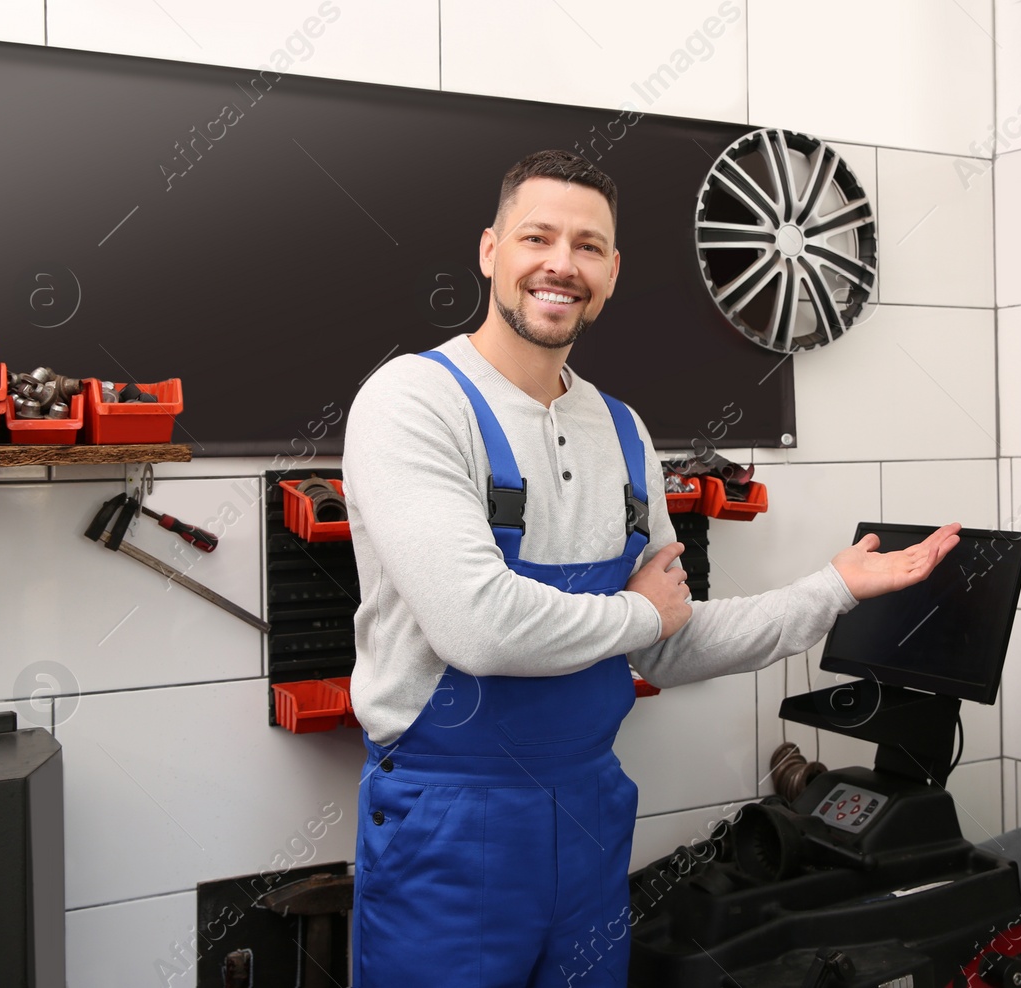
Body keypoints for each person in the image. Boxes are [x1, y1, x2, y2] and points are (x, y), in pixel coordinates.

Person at [341, 148, 961, 986]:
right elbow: (478, 626)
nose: (562, 265)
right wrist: (640, 615)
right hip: (450, 826)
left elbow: (669, 644)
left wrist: (834, 589)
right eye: (538, 237)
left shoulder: (624, 432)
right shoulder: (412, 402)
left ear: (613, 271)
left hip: (590, 816)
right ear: (491, 251)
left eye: (589, 246)